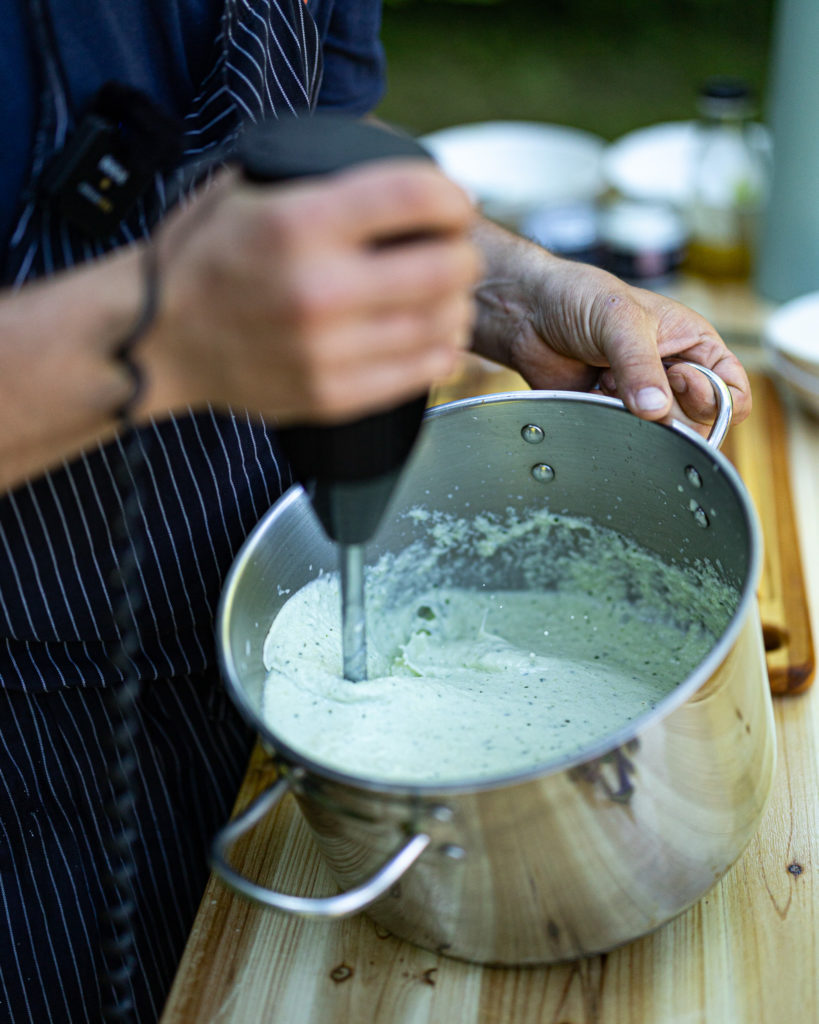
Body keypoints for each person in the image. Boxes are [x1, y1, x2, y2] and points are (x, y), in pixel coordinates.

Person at [0, 2, 751, 1022]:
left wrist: (508, 287)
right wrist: (145, 332)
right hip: (33, 744)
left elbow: (319, 146)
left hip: (269, 655)